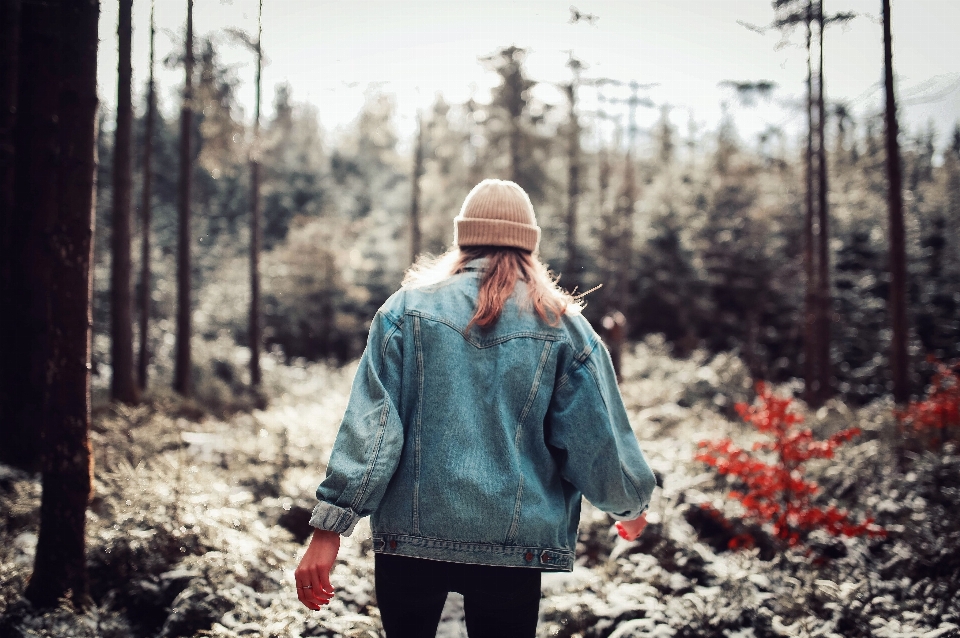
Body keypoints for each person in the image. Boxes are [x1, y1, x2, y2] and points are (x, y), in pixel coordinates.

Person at [295, 179, 656, 637]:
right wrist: (630, 507)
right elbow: (596, 439)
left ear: (463, 238)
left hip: (409, 542)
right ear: (530, 244)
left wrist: (329, 530)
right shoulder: (565, 326)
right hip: (513, 548)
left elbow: (373, 430)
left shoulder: (405, 311)